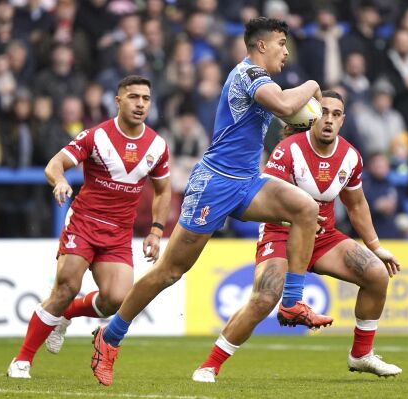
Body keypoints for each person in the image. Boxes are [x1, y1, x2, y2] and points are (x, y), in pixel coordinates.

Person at [90, 17, 332, 386]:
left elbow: (276, 116)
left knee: (305, 208)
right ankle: (110, 336)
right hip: (214, 185)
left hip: (248, 181)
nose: (286, 51)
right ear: (261, 46)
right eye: (281, 43)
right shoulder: (249, 75)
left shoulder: (263, 81)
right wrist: (313, 84)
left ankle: (292, 302)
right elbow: (284, 105)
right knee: (170, 272)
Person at [192, 91, 402, 383]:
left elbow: (356, 205)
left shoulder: (351, 157)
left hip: (324, 238)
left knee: (377, 274)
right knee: (264, 298)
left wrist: (376, 247)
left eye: (336, 114)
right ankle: (209, 366)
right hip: (280, 233)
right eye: (324, 112)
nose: (328, 120)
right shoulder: (287, 150)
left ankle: (361, 355)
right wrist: (296, 219)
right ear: (313, 116)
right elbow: (266, 198)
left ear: (343, 120)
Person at [6, 75, 171, 378]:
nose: (140, 104)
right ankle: (22, 360)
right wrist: (60, 182)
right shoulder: (95, 137)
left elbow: (163, 191)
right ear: (118, 101)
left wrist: (157, 230)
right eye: (133, 97)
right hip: (84, 223)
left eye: (145, 99)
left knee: (116, 300)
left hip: (119, 233)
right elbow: (54, 165)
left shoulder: (157, 146)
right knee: (67, 287)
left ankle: (65, 316)